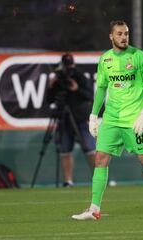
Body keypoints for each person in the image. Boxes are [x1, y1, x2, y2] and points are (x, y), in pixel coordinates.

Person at [72, 20, 143, 220]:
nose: (123, 37)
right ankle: (94, 209)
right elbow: (102, 88)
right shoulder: (105, 60)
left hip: (134, 120)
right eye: (119, 34)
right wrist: (94, 116)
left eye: (126, 33)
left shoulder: (138, 57)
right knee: (100, 159)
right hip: (111, 119)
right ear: (111, 36)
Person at [46, 53, 96, 187]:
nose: (68, 70)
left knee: (90, 148)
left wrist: (77, 89)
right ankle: (68, 181)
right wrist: (51, 86)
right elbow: (49, 100)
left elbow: (90, 95)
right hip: (64, 118)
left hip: (80, 117)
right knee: (65, 149)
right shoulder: (58, 79)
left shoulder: (80, 77)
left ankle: (99, 178)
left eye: (70, 67)